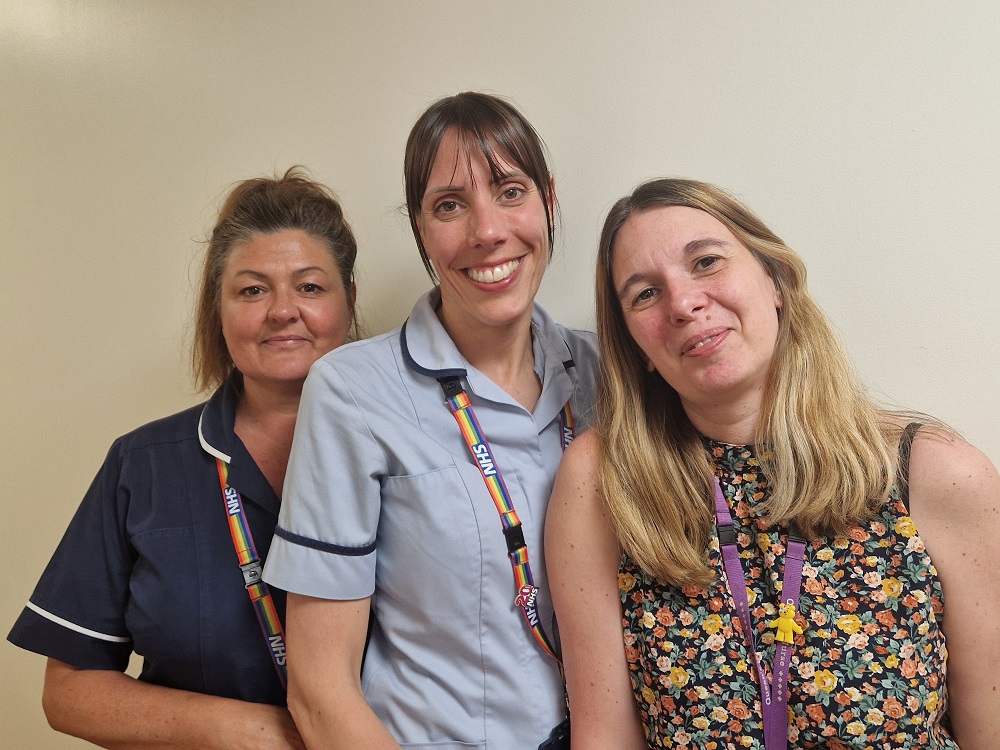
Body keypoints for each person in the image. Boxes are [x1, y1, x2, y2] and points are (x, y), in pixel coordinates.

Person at [545, 177, 1000, 749]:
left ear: (776, 280)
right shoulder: (605, 482)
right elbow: (604, 737)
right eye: (645, 294)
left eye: (706, 262)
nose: (684, 303)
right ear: (636, 348)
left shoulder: (934, 474)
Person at [262, 92, 599, 749]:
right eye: (450, 205)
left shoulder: (606, 374)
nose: (487, 231)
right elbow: (319, 690)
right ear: (420, 228)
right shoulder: (354, 392)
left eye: (510, 190)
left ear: (549, 201)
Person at [8, 167, 359, 749]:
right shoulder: (143, 465)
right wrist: (260, 734)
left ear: (348, 301)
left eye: (310, 287)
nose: (281, 310)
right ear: (217, 312)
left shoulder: (415, 454)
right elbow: (67, 692)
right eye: (252, 289)